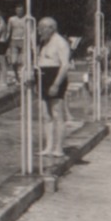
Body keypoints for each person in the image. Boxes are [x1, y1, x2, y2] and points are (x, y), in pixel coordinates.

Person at [36, 17, 73, 158]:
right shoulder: (44, 41)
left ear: (51, 28)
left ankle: (59, 148)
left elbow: (65, 65)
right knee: (45, 115)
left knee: (57, 114)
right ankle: (48, 146)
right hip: (43, 76)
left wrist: (56, 84)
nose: (39, 31)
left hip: (55, 77)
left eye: (42, 28)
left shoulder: (60, 42)